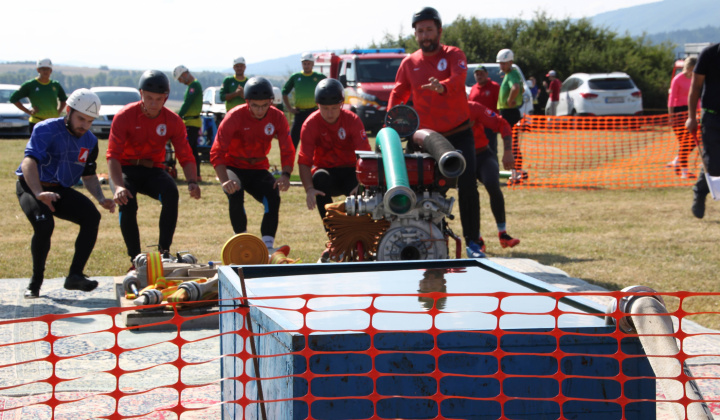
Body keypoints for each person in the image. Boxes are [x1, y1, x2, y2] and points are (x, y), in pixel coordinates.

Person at [388, 6, 483, 258]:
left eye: (429, 29)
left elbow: (458, 77)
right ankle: (426, 238)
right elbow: (398, 94)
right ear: (415, 35)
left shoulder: (454, 54)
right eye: (420, 31)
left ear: (439, 31)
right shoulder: (410, 62)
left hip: (459, 133)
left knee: (467, 186)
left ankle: (474, 242)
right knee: (420, 189)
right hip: (425, 138)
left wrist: (441, 87)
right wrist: (390, 125)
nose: (425, 35)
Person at [16, 88, 115, 298]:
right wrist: (38, 193)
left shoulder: (90, 141)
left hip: (59, 189)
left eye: (90, 121)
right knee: (44, 225)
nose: (85, 126)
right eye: (81, 119)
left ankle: (75, 276)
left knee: (91, 217)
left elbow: (89, 175)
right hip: (31, 186)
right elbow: (29, 162)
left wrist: (101, 198)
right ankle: (35, 283)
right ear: (68, 111)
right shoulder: (45, 129)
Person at [107, 70, 201, 265]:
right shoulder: (124, 116)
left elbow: (185, 154)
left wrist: (192, 180)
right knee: (127, 201)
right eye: (148, 98)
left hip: (153, 170)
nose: (153, 103)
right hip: (125, 169)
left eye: (159, 99)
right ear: (141, 94)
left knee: (171, 192)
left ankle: (164, 254)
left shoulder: (173, 120)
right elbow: (113, 156)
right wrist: (118, 187)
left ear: (165, 98)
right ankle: (135, 260)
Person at [210, 77, 295, 249]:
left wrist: (285, 174)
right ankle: (241, 242)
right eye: (255, 105)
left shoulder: (277, 117)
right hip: (233, 165)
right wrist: (224, 179)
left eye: (265, 105)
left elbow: (287, 148)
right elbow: (216, 151)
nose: (260, 110)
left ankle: (268, 247)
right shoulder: (234, 116)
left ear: (271, 101)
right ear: (247, 101)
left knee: (273, 195)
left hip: (258, 167)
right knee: (235, 191)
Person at [298, 79, 371, 252]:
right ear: (317, 105)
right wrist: (309, 189)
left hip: (350, 171)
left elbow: (365, 156)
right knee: (319, 180)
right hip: (327, 172)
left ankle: (363, 237)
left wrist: (362, 184)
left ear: (341, 104)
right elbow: (304, 160)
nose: (329, 113)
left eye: (333, 108)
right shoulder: (310, 124)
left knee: (362, 191)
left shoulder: (352, 120)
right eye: (325, 108)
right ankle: (334, 238)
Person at [468, 100, 520, 252]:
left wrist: (508, 151)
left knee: (492, 184)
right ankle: (476, 237)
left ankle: (503, 233)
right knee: (469, 194)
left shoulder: (473, 107)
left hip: (483, 154)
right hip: (463, 159)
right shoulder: (442, 109)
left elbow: (502, 123)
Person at [686, 43, 720, 219]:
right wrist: (692, 117)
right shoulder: (709, 54)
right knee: (713, 162)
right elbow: (695, 87)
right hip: (712, 117)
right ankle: (700, 193)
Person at [10, 58, 67, 135]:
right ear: (38, 70)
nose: (45, 71)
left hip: (53, 123)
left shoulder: (55, 85)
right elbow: (14, 98)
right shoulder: (30, 85)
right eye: (43, 69)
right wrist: (28, 111)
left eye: (47, 69)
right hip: (36, 122)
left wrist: (59, 111)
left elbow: (64, 99)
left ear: (51, 71)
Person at [282, 52, 326, 149]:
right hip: (299, 113)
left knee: (317, 138)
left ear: (313, 64)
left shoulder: (319, 77)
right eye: (304, 63)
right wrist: (290, 108)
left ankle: (317, 162)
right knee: (293, 140)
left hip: (314, 112)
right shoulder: (295, 77)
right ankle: (289, 162)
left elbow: (328, 89)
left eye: (309, 63)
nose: (306, 66)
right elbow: (284, 91)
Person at [496, 48, 527, 185]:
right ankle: (518, 172)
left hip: (509, 112)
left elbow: (515, 87)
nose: (501, 66)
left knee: (511, 145)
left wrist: (510, 100)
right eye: (500, 64)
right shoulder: (512, 74)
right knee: (512, 144)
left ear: (510, 62)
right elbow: (522, 88)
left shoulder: (512, 74)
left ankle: (516, 174)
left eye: (504, 63)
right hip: (509, 112)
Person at [667, 57, 698, 179]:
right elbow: (671, 98)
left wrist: (698, 112)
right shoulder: (677, 79)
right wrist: (671, 115)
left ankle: (677, 160)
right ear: (688, 67)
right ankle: (684, 171)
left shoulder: (696, 79)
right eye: (692, 69)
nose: (693, 71)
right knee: (684, 142)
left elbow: (697, 96)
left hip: (691, 111)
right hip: (679, 112)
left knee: (694, 141)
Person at [174, 65, 204, 180]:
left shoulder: (194, 86)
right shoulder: (191, 86)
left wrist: (177, 116)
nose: (181, 82)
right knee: (193, 149)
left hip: (192, 122)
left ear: (185, 74)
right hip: (190, 122)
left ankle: (195, 174)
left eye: (180, 79)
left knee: (190, 149)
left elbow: (187, 104)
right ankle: (197, 174)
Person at [468, 65, 500, 156]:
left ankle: (494, 168)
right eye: (477, 74)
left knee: (491, 149)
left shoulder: (494, 87)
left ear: (486, 74)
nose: (479, 76)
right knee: (477, 149)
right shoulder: (473, 88)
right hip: (476, 126)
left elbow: (499, 105)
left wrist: (497, 123)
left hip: (489, 125)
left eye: (481, 74)